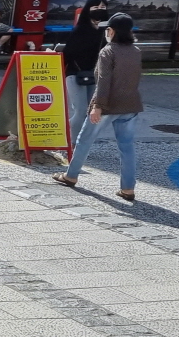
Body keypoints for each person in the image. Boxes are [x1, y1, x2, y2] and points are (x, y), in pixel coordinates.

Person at [53, 13, 143, 202]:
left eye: (108, 29)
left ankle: (71, 175)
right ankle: (128, 188)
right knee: (126, 147)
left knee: (84, 139)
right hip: (131, 105)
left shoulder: (108, 51)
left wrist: (97, 107)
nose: (106, 32)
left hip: (107, 106)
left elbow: (103, 82)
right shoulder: (136, 51)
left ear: (112, 31)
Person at [62, 0, 110, 137]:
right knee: (81, 110)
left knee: (91, 110)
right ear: (87, 10)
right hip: (75, 74)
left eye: (103, 8)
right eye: (95, 8)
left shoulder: (107, 32)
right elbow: (67, 54)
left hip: (95, 75)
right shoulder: (79, 31)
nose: (99, 11)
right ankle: (72, 143)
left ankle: (80, 139)